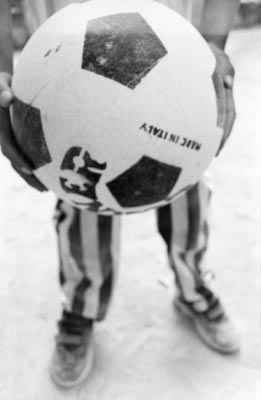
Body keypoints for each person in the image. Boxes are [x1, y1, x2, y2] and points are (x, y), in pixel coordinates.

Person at [0, 0, 240, 389]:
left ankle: (194, 288)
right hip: (66, 78)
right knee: (81, 193)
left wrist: (214, 41)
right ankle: (81, 307)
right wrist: (3, 70)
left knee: (188, 198)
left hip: (178, 68)